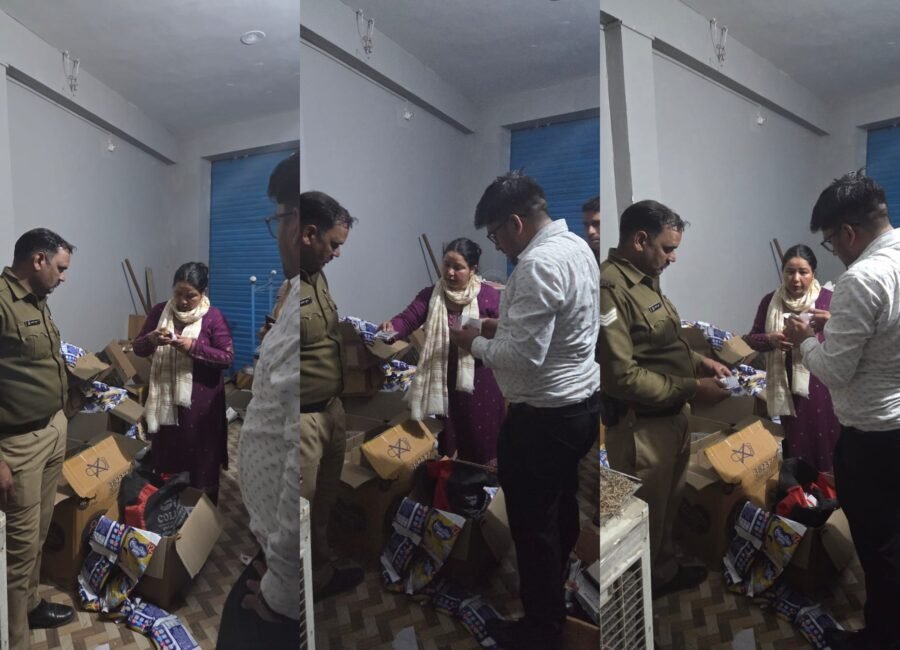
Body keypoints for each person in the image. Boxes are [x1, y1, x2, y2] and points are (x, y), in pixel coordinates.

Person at [449, 171, 600, 649]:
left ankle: (540, 627)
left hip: (542, 418)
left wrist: (473, 343)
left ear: (515, 222)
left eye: (496, 235)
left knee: (533, 526)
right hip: (578, 407)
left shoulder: (536, 264)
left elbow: (523, 357)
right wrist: (501, 326)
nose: (497, 245)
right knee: (561, 506)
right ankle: (557, 590)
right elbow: (557, 327)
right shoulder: (576, 247)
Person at [784, 171, 900, 650]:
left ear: (848, 232)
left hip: (873, 438)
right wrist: (839, 321)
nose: (834, 251)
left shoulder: (860, 278)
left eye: (830, 242)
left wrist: (804, 339)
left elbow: (834, 371)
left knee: (878, 546)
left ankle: (881, 637)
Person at [598, 200, 732, 599]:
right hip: (642, 427)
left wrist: (701, 361)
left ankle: (662, 571)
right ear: (640, 240)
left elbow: (661, 342)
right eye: (668, 248)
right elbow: (622, 376)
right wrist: (693, 387)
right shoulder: (610, 288)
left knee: (667, 507)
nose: (673, 258)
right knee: (642, 514)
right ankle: (638, 597)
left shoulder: (645, 277)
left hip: (671, 417)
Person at [0, 228, 76, 649]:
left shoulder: (37, 300)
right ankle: (14, 639)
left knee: (40, 533)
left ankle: (29, 606)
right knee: (18, 550)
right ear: (38, 260)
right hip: (18, 445)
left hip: (52, 428)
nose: (64, 278)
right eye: (60, 268)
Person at [378, 238, 504, 466]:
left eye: (458, 267)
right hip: (443, 383)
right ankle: (451, 483)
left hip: (480, 382)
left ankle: (485, 484)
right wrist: (390, 329)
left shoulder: (488, 296)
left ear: (473, 269)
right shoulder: (431, 295)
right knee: (448, 444)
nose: (450, 272)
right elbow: (407, 319)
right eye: (447, 264)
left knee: (482, 444)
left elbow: (504, 332)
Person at [132, 262, 233, 503]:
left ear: (203, 292)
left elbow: (226, 358)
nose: (183, 301)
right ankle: (168, 509)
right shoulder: (160, 312)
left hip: (201, 409)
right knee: (168, 460)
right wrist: (152, 339)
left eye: (191, 296)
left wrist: (191, 347)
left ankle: (201, 514)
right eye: (178, 293)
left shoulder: (213, 317)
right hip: (166, 407)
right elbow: (138, 348)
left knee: (201, 463)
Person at [745, 244, 840, 472]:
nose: (796, 279)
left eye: (803, 272)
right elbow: (751, 339)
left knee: (829, 441)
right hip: (787, 388)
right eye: (789, 272)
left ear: (813, 273)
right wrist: (771, 339)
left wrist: (829, 323)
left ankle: (831, 489)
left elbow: (848, 338)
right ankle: (801, 491)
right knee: (797, 445)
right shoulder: (770, 301)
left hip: (824, 383)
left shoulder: (829, 300)